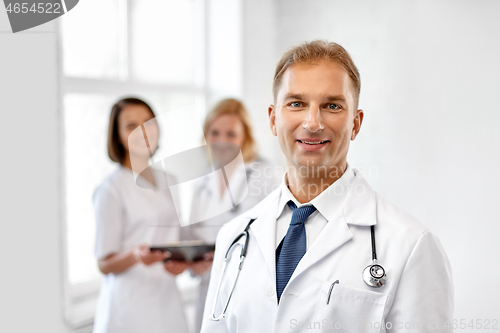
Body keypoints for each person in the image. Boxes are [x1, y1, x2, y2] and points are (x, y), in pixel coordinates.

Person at [200, 41, 454, 333]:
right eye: (296, 103)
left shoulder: (411, 246)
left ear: (356, 124)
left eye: (332, 106)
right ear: (273, 118)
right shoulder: (235, 237)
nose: (312, 123)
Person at [183, 98, 281, 333]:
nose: (222, 141)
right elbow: (192, 236)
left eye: (231, 134)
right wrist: (193, 261)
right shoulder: (201, 182)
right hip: (209, 287)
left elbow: (280, 236)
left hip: (252, 288)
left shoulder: (266, 176)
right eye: (214, 133)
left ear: (245, 136)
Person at [93, 97, 189, 333]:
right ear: (117, 136)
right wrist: (136, 255)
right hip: (129, 307)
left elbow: (174, 239)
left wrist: (183, 261)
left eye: (148, 122)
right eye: (130, 125)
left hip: (168, 299)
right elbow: (104, 264)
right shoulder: (111, 189)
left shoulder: (170, 181)